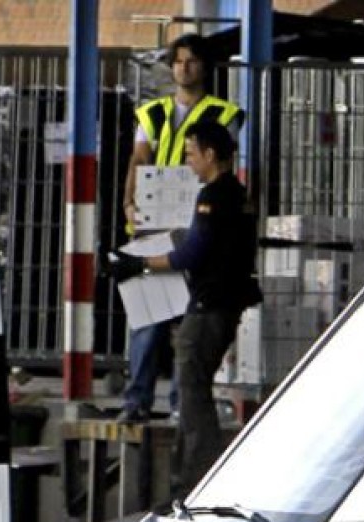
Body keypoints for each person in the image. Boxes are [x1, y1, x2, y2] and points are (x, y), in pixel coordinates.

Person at [110, 120, 262, 495]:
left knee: (193, 394)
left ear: (210, 155)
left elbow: (194, 253)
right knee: (193, 393)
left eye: (191, 153)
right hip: (224, 305)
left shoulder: (214, 195)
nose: (188, 161)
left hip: (209, 306)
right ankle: (189, 475)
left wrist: (140, 264)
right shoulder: (238, 194)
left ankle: (198, 480)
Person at [118, 32, 244, 424]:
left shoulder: (224, 114)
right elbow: (139, 159)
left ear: (204, 67)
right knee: (148, 320)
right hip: (154, 222)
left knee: (189, 316)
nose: (183, 68)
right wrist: (129, 202)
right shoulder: (151, 113)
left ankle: (178, 405)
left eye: (190, 61)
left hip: (196, 223)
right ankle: (135, 401)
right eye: (177, 61)